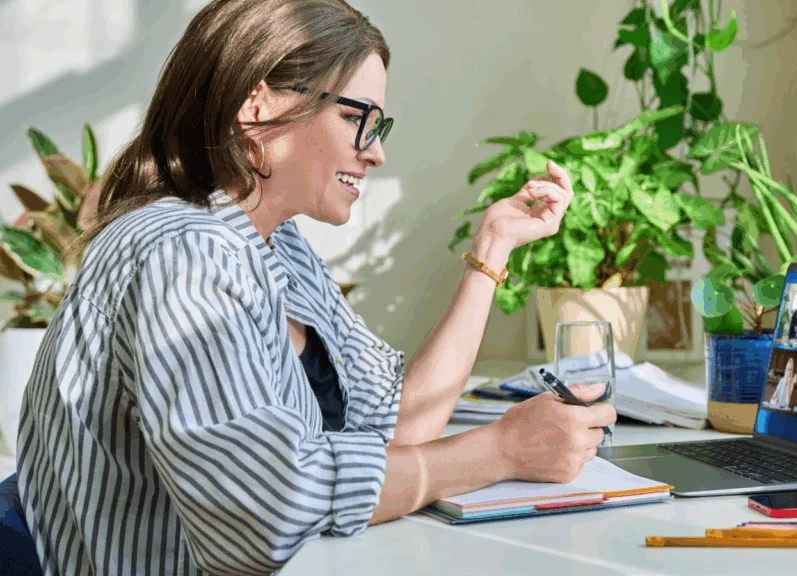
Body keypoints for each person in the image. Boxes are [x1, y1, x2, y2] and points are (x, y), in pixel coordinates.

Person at [15, 2, 615, 574]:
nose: (376, 153)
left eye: (378, 125)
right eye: (357, 118)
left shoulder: (278, 245)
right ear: (257, 108)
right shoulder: (183, 251)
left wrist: (493, 249)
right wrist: (499, 453)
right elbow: (259, 514)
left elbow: (395, 427)